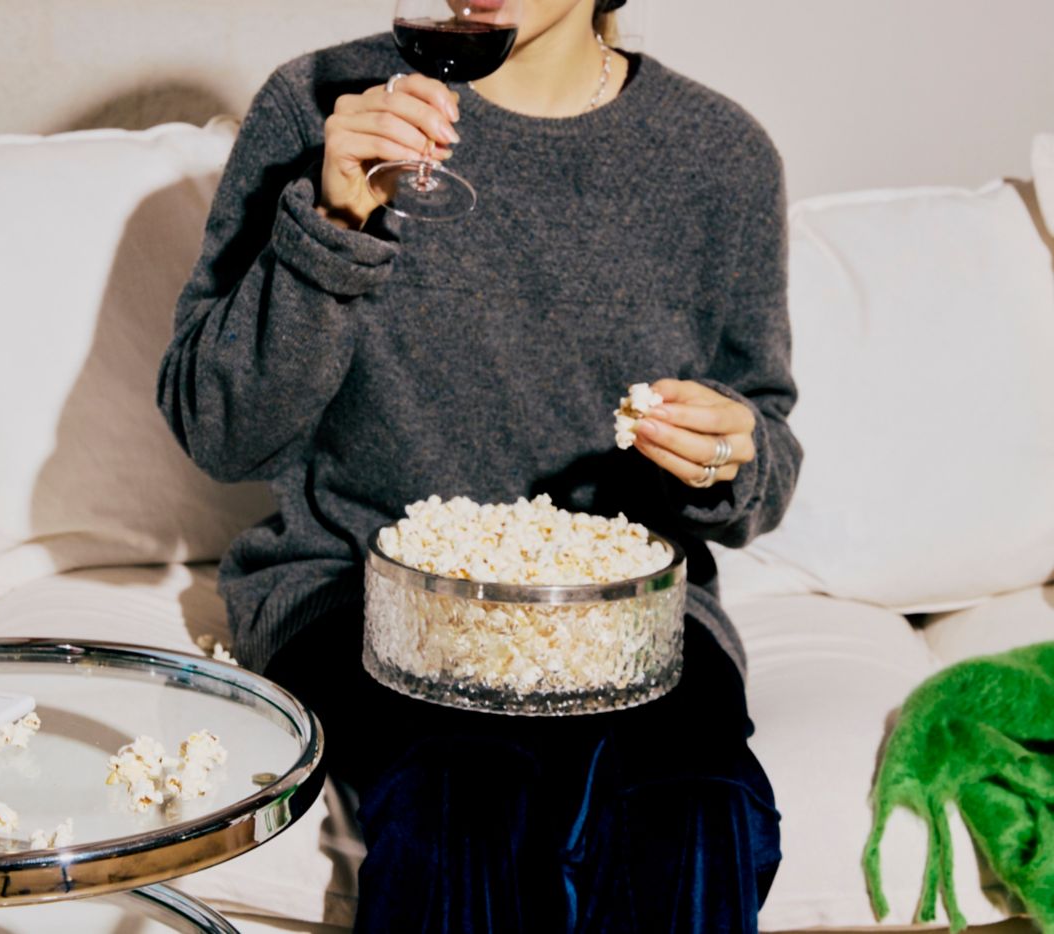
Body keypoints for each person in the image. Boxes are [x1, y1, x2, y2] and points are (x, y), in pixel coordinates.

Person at [158, 0, 801, 929]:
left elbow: (764, 447)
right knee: (467, 796)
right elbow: (215, 428)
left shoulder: (721, 155)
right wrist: (334, 223)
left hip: (623, 614)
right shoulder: (320, 105)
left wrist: (726, 453)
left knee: (693, 805)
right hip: (360, 586)